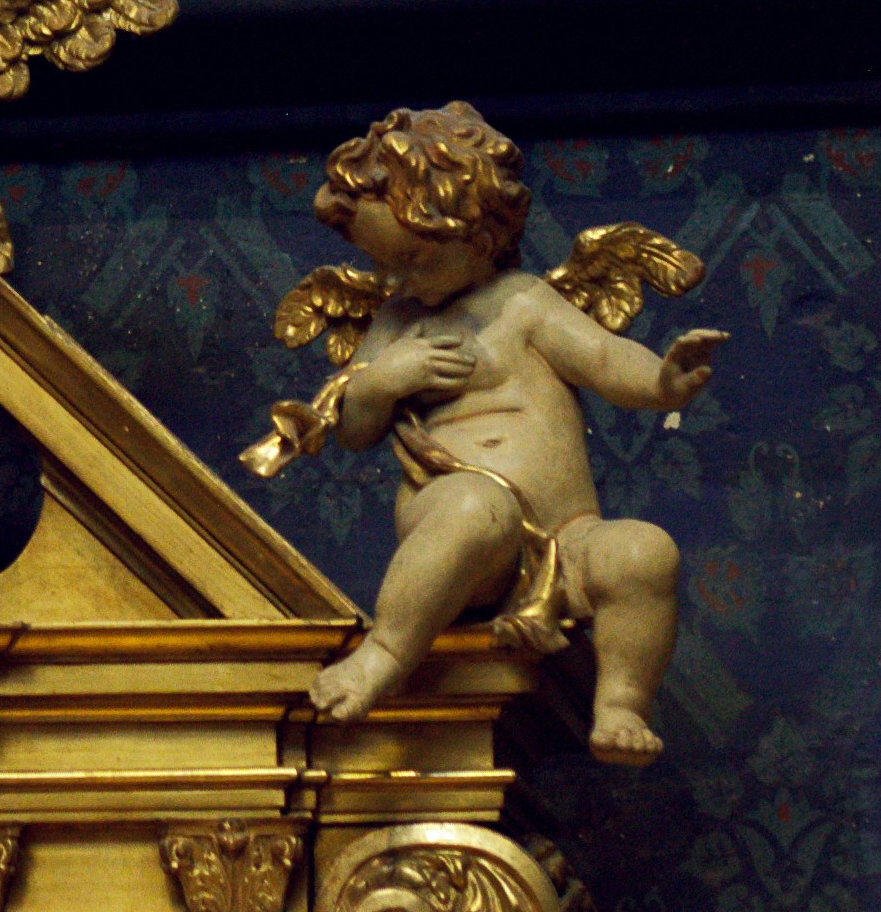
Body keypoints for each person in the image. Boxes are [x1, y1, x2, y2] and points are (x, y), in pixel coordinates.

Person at [256, 105, 722, 760]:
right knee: (480, 507)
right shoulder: (396, 323)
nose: (398, 280)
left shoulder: (524, 304)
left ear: (476, 231)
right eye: (383, 265)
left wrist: (664, 383)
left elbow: (606, 357)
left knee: (644, 553)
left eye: (414, 259)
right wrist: (383, 380)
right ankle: (385, 651)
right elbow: (356, 428)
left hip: (565, 538)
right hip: (461, 528)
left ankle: (620, 702)